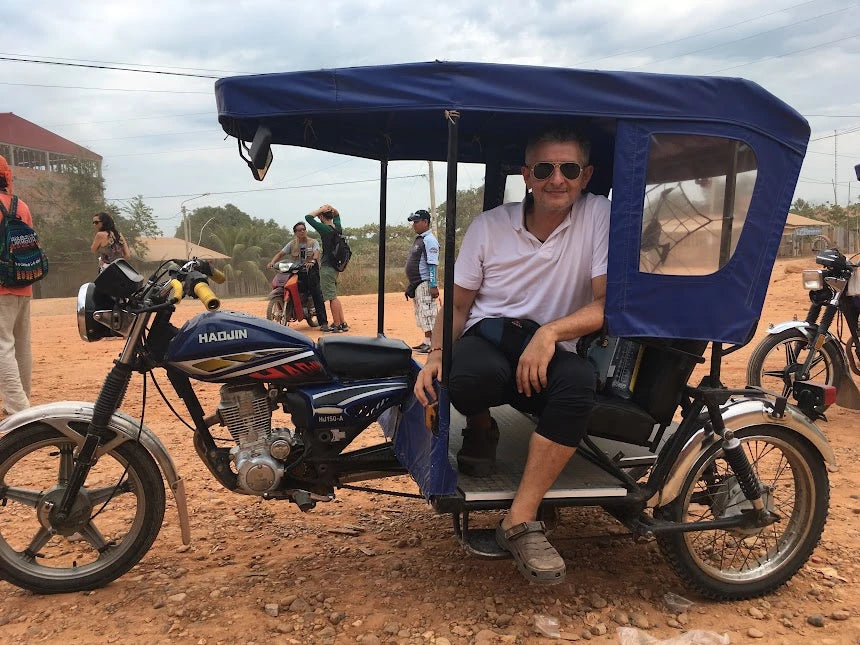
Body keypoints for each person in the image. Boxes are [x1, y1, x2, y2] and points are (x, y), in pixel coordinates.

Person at [413, 127, 610, 585]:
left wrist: (551, 334)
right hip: (492, 334)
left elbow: (603, 304)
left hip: (548, 346)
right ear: (527, 176)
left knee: (578, 384)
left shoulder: (599, 216)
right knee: (464, 375)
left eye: (568, 169)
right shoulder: (489, 227)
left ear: (586, 176)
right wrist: (436, 355)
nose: (556, 179)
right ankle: (482, 426)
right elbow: (459, 305)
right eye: (544, 169)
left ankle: (519, 520)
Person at [0, 155, 33, 415]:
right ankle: (23, 401)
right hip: (24, 282)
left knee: (2, 345)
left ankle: (17, 407)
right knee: (21, 345)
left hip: (0, 287)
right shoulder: (19, 205)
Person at [267, 221, 330, 330]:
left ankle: (323, 323)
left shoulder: (313, 242)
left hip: (310, 271)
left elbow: (316, 252)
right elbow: (280, 254)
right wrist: (272, 262)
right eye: (299, 230)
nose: (302, 231)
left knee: (316, 294)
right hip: (296, 271)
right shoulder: (292, 244)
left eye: (303, 229)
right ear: (295, 233)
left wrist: (313, 260)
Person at [305, 205, 349, 332]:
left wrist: (320, 210)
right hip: (336, 266)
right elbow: (337, 214)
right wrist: (330, 208)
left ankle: (336, 324)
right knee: (334, 295)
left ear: (321, 217)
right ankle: (342, 323)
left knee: (331, 297)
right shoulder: (337, 228)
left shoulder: (324, 229)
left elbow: (308, 217)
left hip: (327, 266)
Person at [404, 209, 440, 353]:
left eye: (417, 222)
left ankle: (433, 343)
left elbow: (432, 264)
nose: (414, 225)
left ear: (425, 222)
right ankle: (427, 341)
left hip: (425, 283)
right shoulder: (419, 239)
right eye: (413, 222)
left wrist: (433, 285)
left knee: (428, 313)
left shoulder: (429, 240)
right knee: (422, 313)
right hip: (417, 284)